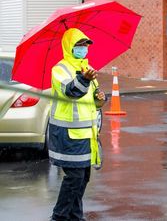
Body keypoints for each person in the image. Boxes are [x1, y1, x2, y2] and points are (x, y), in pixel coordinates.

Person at [49, 28, 106, 221]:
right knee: (74, 178)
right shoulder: (60, 69)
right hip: (68, 135)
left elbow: (94, 101)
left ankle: (75, 216)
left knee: (83, 179)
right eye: (79, 45)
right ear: (69, 47)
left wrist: (100, 98)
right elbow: (71, 91)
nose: (83, 49)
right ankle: (59, 216)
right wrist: (85, 79)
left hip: (87, 134)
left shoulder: (87, 68)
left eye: (85, 45)